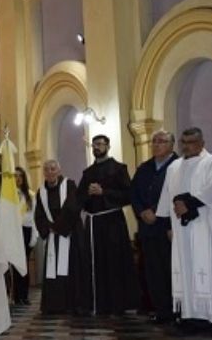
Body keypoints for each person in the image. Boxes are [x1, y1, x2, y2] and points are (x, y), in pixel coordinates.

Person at [156, 127, 212, 333]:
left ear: (202, 143)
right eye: (184, 142)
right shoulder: (174, 167)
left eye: (192, 142)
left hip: (208, 231)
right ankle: (190, 317)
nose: (187, 146)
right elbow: (166, 199)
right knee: (186, 271)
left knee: (210, 272)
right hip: (182, 232)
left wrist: (190, 203)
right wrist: (167, 225)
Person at [77, 134, 139, 315]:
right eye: (94, 145)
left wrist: (104, 192)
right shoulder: (87, 173)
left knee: (114, 263)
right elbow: (79, 198)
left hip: (113, 223)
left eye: (100, 144)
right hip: (93, 224)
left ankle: (117, 304)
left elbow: (128, 195)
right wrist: (87, 194)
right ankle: (96, 303)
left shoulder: (119, 168)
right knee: (95, 264)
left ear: (108, 146)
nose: (96, 147)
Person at [131, 130, 179, 323]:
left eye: (162, 141)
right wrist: (142, 211)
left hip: (168, 228)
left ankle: (177, 310)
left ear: (171, 144)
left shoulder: (178, 166)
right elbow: (134, 193)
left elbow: (177, 194)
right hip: (148, 228)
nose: (157, 144)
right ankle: (161, 310)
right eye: (155, 141)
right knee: (153, 271)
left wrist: (156, 212)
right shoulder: (144, 168)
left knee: (171, 270)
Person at [34, 160, 85, 314]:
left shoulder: (69, 185)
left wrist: (57, 227)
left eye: (53, 169)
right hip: (53, 236)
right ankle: (54, 305)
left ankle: (73, 304)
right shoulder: (41, 192)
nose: (50, 172)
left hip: (70, 234)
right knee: (53, 271)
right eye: (46, 169)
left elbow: (72, 207)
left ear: (59, 170)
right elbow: (39, 215)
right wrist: (49, 228)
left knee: (72, 268)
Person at [9, 167, 38, 305]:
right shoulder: (8, 195)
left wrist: (34, 236)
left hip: (26, 230)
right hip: (14, 231)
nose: (18, 178)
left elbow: (34, 217)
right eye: (15, 176)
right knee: (15, 264)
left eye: (20, 176)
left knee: (24, 264)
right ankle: (16, 296)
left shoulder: (30, 195)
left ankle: (24, 295)